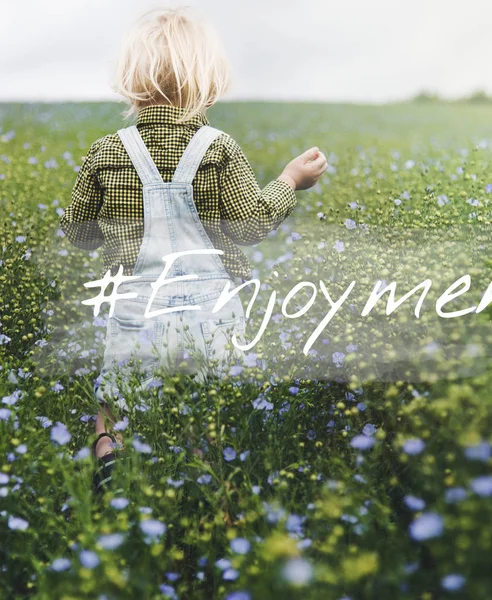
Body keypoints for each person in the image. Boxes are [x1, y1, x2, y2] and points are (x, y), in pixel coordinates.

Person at [59, 6, 328, 494]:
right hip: (210, 310)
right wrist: (290, 180)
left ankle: (110, 460)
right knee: (203, 405)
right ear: (209, 82)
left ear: (130, 81)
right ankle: (198, 478)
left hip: (134, 305)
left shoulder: (107, 151)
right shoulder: (218, 148)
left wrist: (105, 228)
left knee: (115, 403)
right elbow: (250, 224)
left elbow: (78, 233)